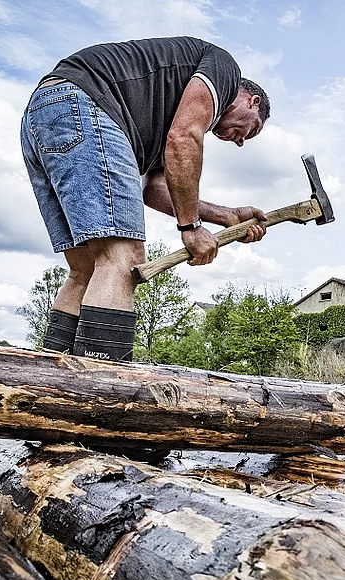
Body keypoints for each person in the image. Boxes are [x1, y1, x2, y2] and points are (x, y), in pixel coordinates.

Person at [21, 36, 271, 362]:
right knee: (123, 261)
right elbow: (184, 136)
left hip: (43, 113)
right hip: (85, 103)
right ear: (252, 102)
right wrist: (191, 228)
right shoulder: (225, 69)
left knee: (85, 269)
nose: (241, 142)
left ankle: (48, 381)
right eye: (252, 130)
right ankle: (101, 387)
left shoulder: (161, 113)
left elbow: (153, 189)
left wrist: (225, 216)